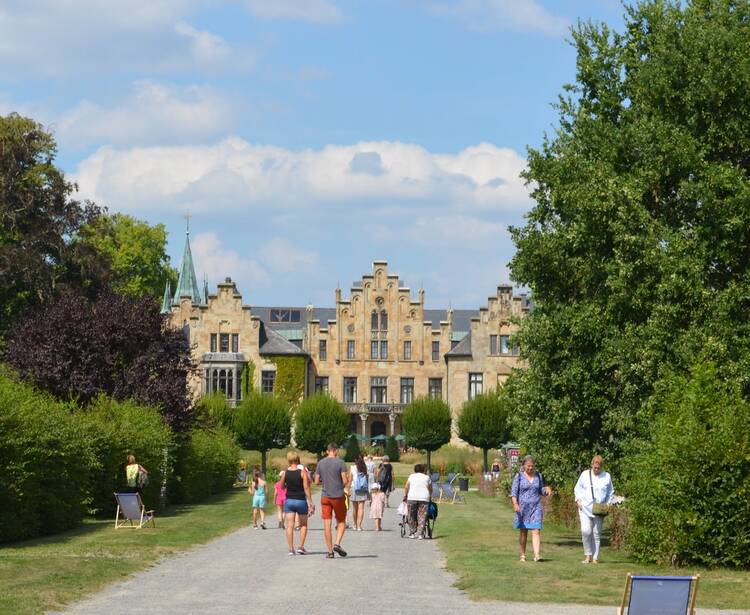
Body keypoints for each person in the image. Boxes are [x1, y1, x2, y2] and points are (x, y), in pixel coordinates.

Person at [574, 454, 614, 564]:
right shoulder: (584, 475)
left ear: (602, 467)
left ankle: (595, 557)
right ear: (592, 465)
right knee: (586, 531)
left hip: (599, 509)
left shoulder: (607, 476)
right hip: (585, 507)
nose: (596, 469)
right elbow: (577, 488)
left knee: (597, 533)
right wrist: (578, 500)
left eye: (598, 468)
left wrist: (608, 504)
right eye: (594, 467)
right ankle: (588, 555)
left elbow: (611, 492)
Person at [511, 455, 551, 562]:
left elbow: (541, 491)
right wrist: (515, 504)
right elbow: (514, 493)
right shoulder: (518, 476)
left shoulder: (538, 476)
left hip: (536, 507)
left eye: (532, 466)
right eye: (528, 466)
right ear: (524, 465)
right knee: (523, 531)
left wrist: (546, 489)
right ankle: (522, 555)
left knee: (536, 530)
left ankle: (537, 555)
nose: (530, 468)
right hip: (522, 509)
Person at [315, 442, 350, 558]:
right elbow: (345, 481)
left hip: (325, 496)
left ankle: (330, 552)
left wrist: (325, 481)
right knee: (341, 521)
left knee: (327, 524)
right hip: (338, 496)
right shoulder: (340, 463)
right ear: (336, 451)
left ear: (327, 451)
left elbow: (316, 481)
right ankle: (337, 543)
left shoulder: (320, 463)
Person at [280, 452, 314, 555]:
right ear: (298, 460)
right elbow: (306, 487)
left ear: (289, 460)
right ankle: (301, 546)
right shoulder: (302, 472)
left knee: (290, 525)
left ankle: (291, 549)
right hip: (301, 501)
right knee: (303, 525)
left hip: (289, 501)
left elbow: (282, 486)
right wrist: (311, 502)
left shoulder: (286, 472)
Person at [403, 464, 432, 539]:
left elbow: (406, 487)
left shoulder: (411, 476)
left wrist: (406, 495)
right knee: (422, 516)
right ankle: (420, 534)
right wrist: (429, 495)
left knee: (411, 515)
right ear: (423, 470)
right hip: (424, 498)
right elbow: (430, 489)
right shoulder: (427, 477)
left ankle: (412, 532)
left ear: (415, 470)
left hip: (412, 497)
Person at [349, 455, 370, 531]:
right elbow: (366, 479)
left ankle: (354, 524)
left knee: (355, 508)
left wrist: (348, 489)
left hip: (354, 488)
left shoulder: (352, 468)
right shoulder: (364, 468)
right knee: (361, 507)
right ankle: (359, 526)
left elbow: (350, 479)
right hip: (363, 489)